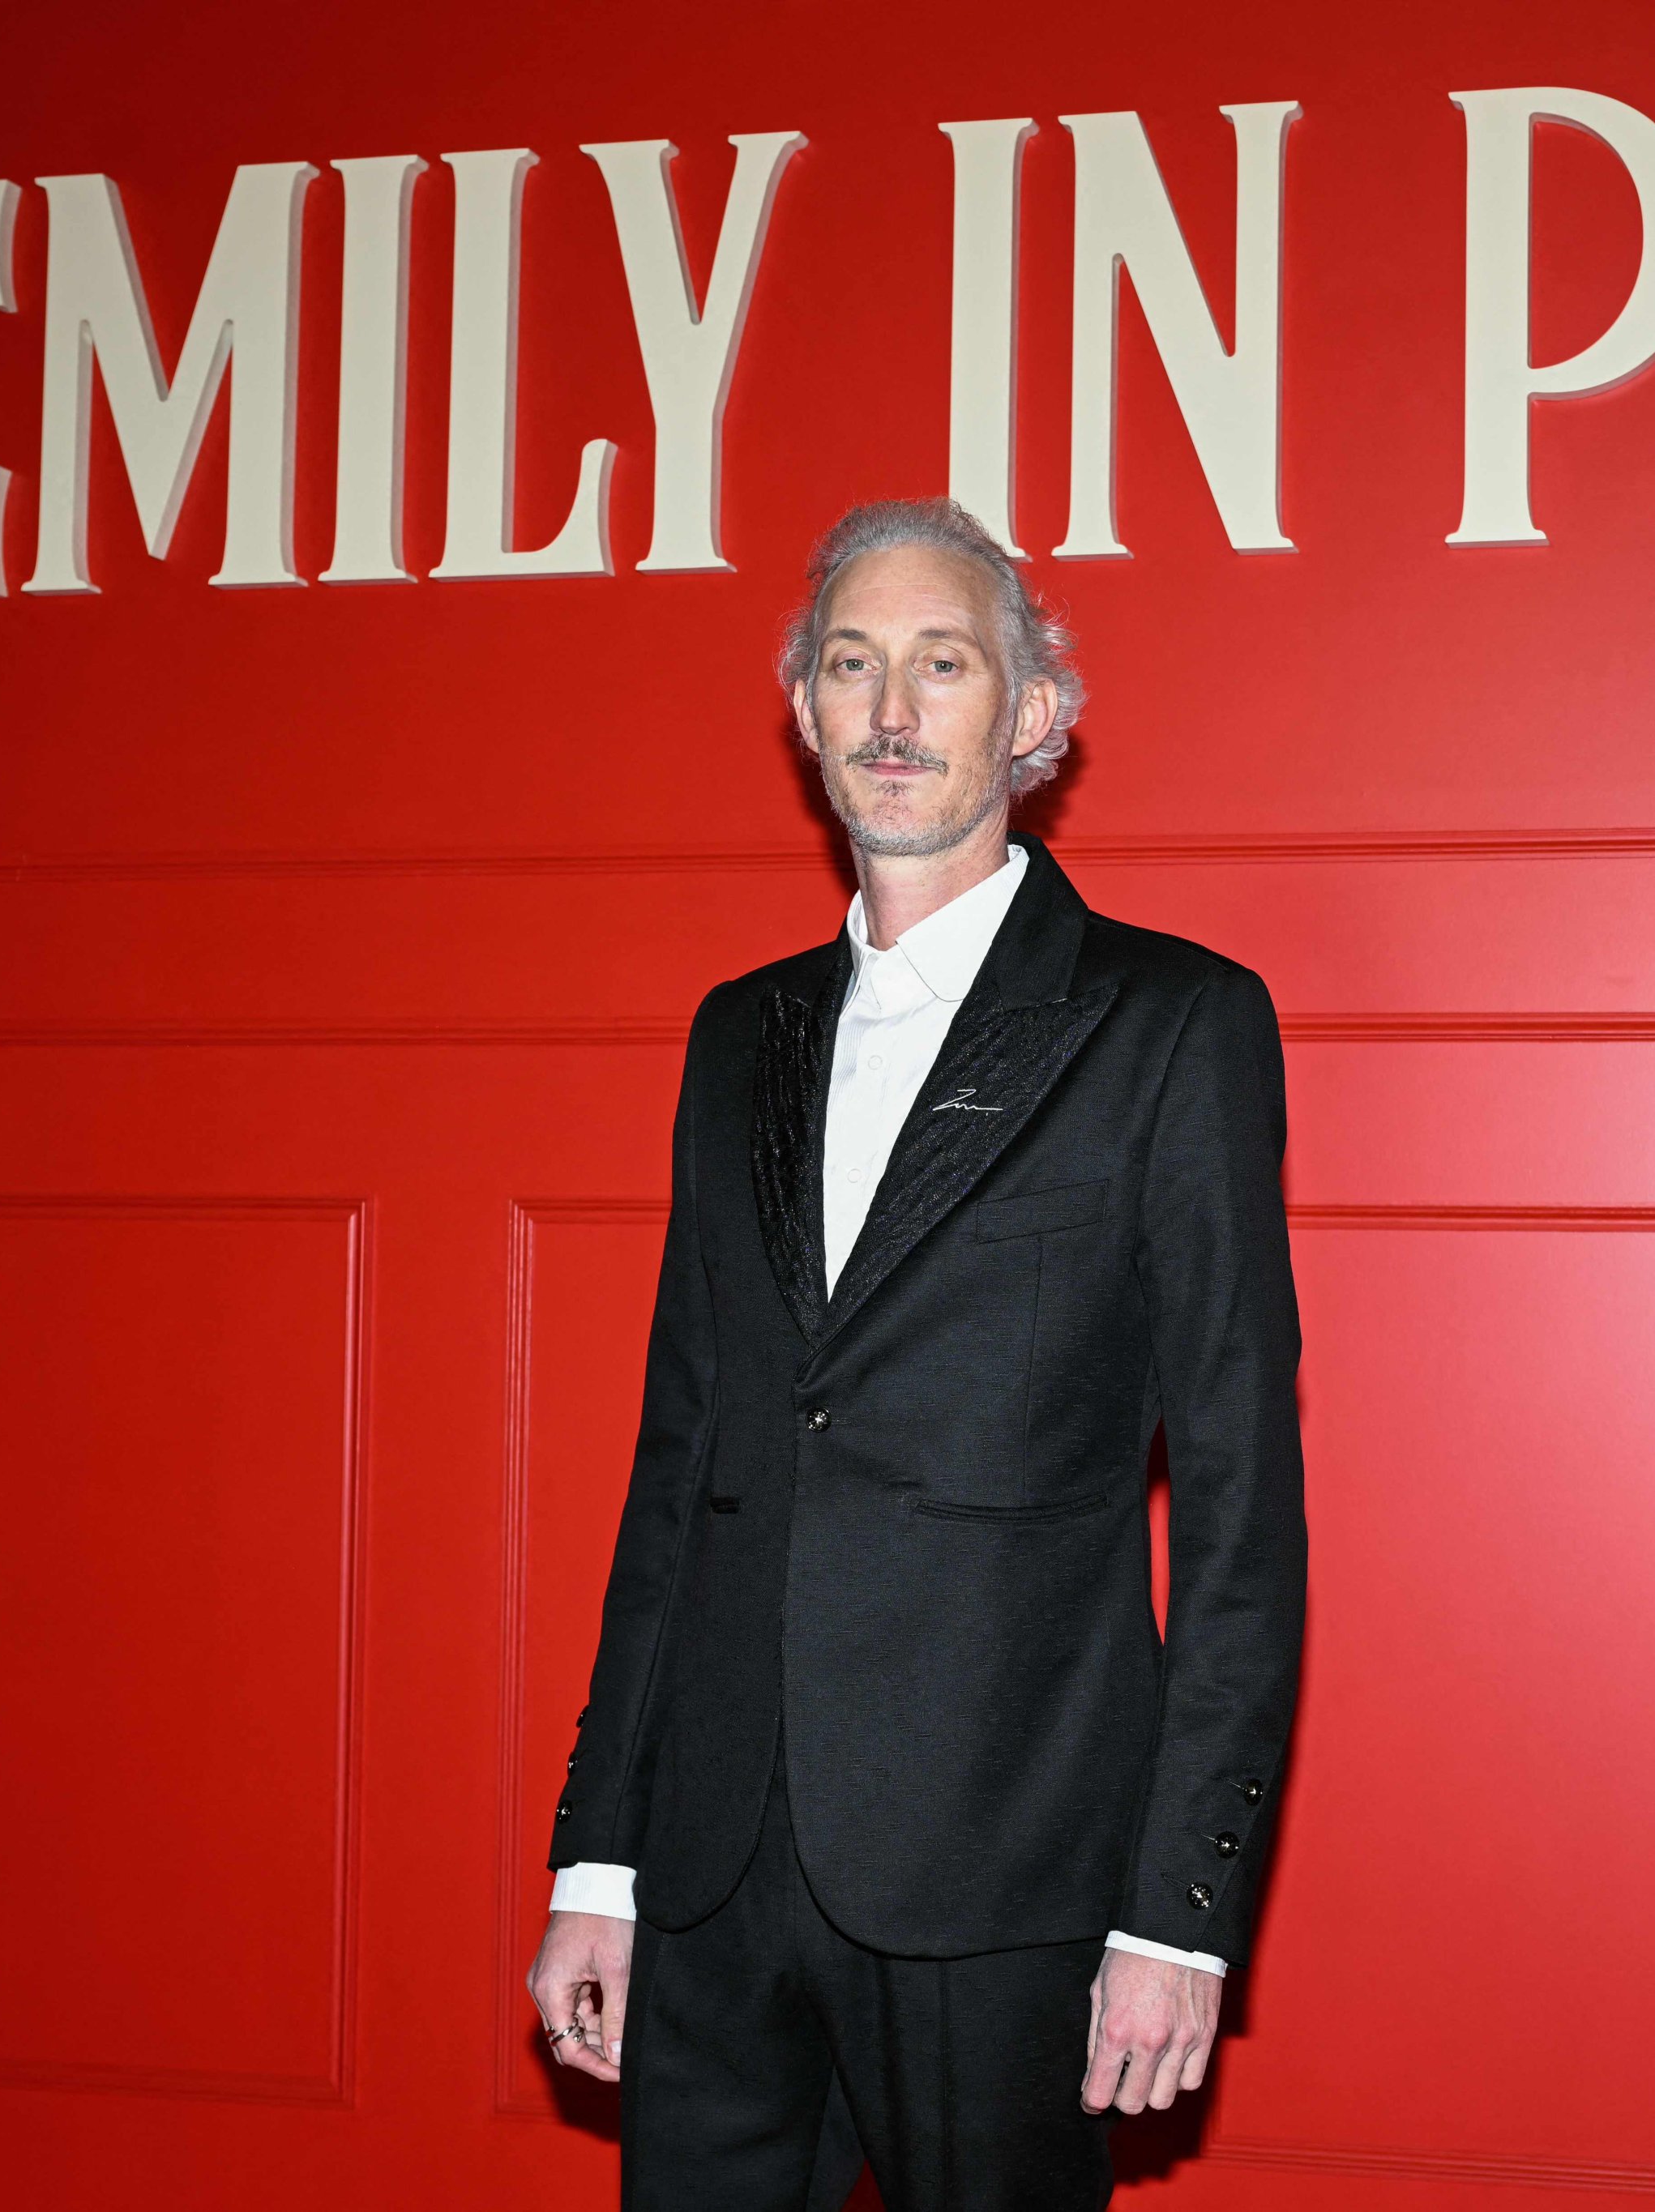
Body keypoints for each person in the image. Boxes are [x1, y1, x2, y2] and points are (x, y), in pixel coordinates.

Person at [524, 497, 1308, 2211]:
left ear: (1031, 715)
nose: (893, 711)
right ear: (804, 711)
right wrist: (603, 1852)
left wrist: (1177, 1909)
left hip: (1005, 1878)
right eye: (854, 665)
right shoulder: (738, 1036)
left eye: (942, 664)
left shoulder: (1170, 1023)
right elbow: (684, 1467)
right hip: (715, 1869)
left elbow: (1244, 1508)